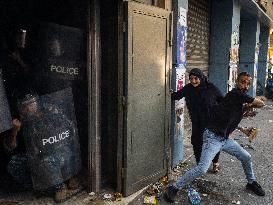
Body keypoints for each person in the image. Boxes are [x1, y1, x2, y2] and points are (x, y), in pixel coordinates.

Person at [164, 72, 265, 203]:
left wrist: (244, 128)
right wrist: (256, 102)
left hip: (224, 139)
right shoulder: (236, 94)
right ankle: (174, 187)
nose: (245, 86)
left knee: (246, 157)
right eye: (242, 82)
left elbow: (231, 116)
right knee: (202, 168)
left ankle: (251, 182)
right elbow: (260, 103)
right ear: (236, 81)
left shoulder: (235, 100)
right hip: (213, 138)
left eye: (248, 83)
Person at [172, 68, 223, 173]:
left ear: (201, 77)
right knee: (196, 142)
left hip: (211, 121)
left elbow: (222, 100)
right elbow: (176, 96)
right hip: (197, 121)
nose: (193, 81)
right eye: (191, 79)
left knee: (213, 142)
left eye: (196, 78)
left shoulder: (211, 88)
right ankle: (200, 165)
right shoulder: (188, 89)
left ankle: (215, 163)